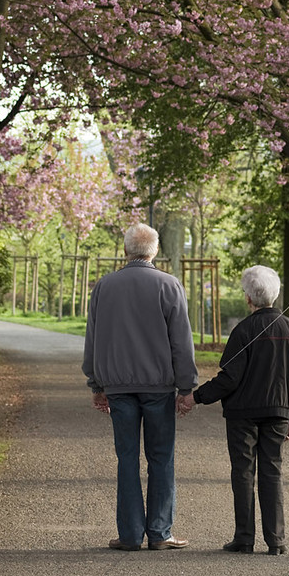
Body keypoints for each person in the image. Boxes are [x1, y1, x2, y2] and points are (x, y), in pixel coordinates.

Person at [82, 223, 197, 551]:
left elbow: (93, 338)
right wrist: (187, 388)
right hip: (159, 386)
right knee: (161, 458)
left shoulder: (104, 286)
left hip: (118, 386)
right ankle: (160, 533)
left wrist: (96, 383)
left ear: (125, 251)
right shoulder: (169, 285)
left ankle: (131, 534)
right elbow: (181, 342)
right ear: (154, 251)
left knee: (127, 458)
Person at [192, 265, 289, 555]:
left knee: (243, 473)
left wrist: (196, 398)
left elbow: (230, 378)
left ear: (248, 298)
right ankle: (276, 541)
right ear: (275, 294)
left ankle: (244, 537)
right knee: (272, 472)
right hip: (279, 411)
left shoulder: (243, 331)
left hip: (243, 414)